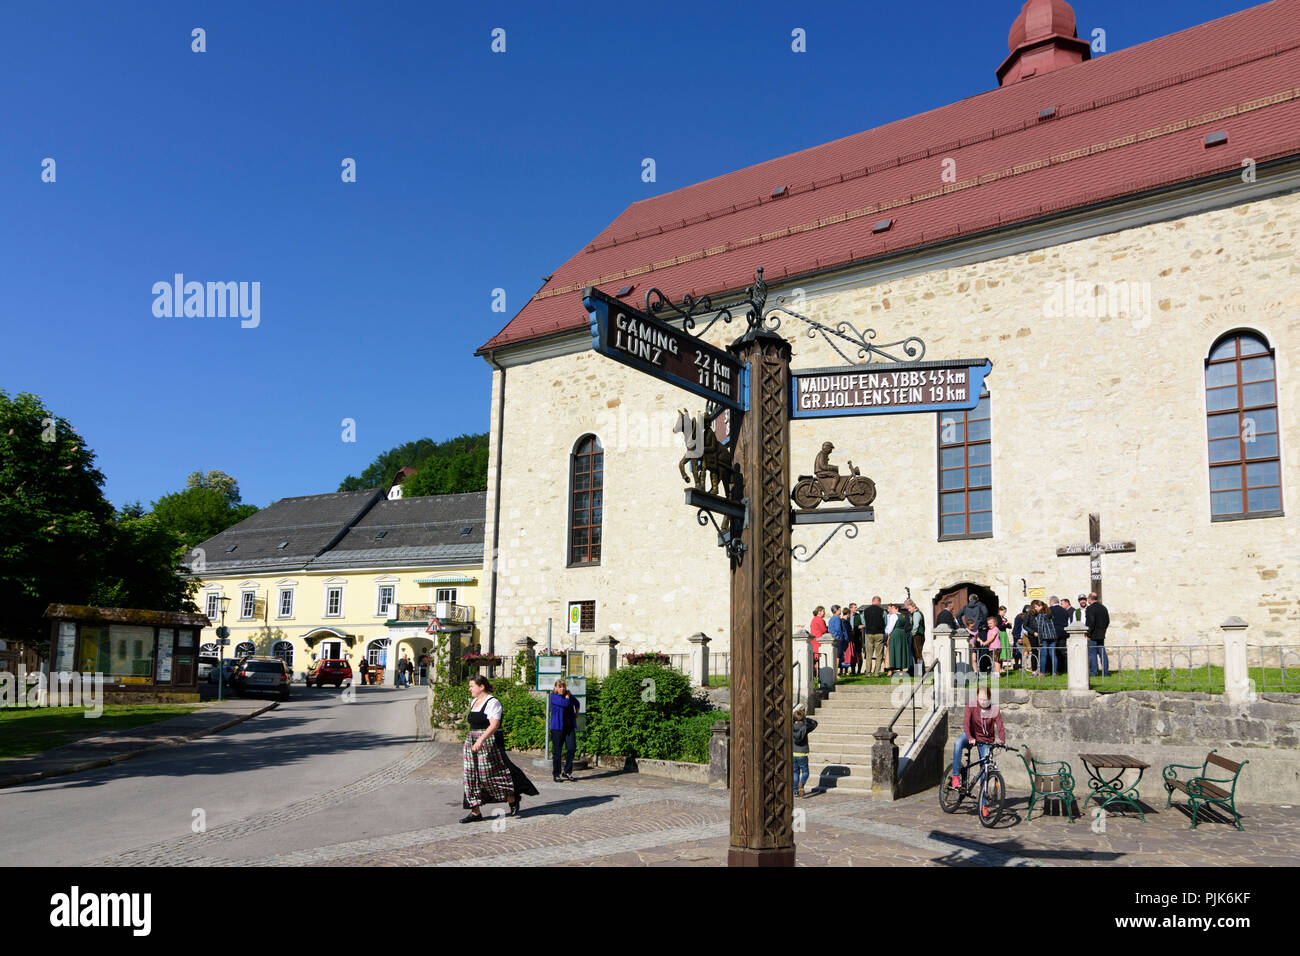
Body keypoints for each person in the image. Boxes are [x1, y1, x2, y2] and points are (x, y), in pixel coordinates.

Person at [461, 676, 539, 823]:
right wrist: (473, 740)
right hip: (471, 741)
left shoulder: (493, 702)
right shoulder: (474, 702)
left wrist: (480, 740)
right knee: (470, 776)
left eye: (472, 686)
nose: (469, 689)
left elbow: (494, 725)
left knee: (488, 775)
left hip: (488, 741)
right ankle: (475, 812)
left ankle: (512, 797)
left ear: (481, 687)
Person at [950, 685, 1006, 818]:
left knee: (985, 771)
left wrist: (1002, 741)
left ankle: (984, 804)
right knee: (957, 743)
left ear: (990, 698)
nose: (983, 701)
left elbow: (1000, 726)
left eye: (985, 699)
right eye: (980, 698)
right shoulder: (971, 706)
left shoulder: (994, 710)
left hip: (986, 740)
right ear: (977, 697)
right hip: (972, 735)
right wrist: (969, 737)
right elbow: (966, 724)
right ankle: (955, 776)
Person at [548, 679, 581, 781]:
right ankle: (556, 774)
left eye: (563, 687)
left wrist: (576, 713)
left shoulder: (569, 696)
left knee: (571, 748)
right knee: (557, 751)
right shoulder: (553, 697)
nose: (562, 689)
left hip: (569, 727)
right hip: (557, 728)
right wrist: (567, 698)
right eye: (560, 687)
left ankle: (567, 771)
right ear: (555, 688)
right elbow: (564, 704)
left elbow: (577, 703)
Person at [792, 705, 818, 798]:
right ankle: (802, 784)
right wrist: (806, 719)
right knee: (805, 772)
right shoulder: (805, 727)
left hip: (793, 753)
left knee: (795, 772)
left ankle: (795, 791)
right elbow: (815, 723)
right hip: (802, 753)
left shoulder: (790, 727)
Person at [1085, 591, 1111, 677]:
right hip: (1101, 634)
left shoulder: (1090, 608)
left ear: (1089, 599)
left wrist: (1088, 634)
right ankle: (1106, 672)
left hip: (1093, 635)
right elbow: (1107, 621)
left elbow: (1090, 622)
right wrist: (1103, 630)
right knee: (1102, 654)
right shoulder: (1103, 608)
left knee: (1092, 654)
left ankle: (1094, 672)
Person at [1034, 600, 1060, 677]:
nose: (1035, 608)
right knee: (1053, 655)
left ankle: (1042, 673)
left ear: (1040, 606)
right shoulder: (1049, 614)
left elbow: (1040, 628)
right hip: (1053, 636)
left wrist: (1040, 640)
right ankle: (1054, 672)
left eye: (1036, 606)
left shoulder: (1040, 615)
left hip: (1045, 637)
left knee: (1043, 655)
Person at [862, 596, 887, 677]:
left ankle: (868, 673)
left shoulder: (865, 611)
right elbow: (885, 622)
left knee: (869, 654)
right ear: (878, 602)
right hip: (879, 633)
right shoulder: (883, 611)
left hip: (869, 633)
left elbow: (864, 622)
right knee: (879, 655)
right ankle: (876, 673)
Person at [886, 603, 912, 675]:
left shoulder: (894, 616)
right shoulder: (902, 616)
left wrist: (888, 635)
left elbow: (890, 627)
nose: (891, 609)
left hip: (895, 634)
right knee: (901, 651)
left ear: (897, 609)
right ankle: (901, 669)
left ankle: (891, 670)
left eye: (893, 608)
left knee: (893, 651)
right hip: (902, 634)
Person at [905, 599, 926, 670]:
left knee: (918, 654)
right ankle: (919, 671)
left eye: (909, 608)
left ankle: (920, 672)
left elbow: (916, 626)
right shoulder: (914, 614)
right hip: (917, 636)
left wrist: (912, 634)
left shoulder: (916, 614)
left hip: (917, 636)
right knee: (916, 654)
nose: (908, 610)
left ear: (913, 606)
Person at [828, 604, 848, 676]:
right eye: (839, 609)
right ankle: (835, 674)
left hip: (833, 639)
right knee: (837, 657)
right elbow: (838, 629)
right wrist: (840, 638)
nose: (840, 611)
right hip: (838, 640)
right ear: (836, 611)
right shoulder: (837, 619)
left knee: (835, 656)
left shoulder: (831, 619)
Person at [848, 602, 864, 676]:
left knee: (858, 653)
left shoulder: (859, 616)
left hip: (858, 637)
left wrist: (860, 626)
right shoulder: (847, 617)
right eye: (854, 607)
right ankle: (853, 670)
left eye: (856, 607)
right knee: (852, 653)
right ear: (850, 608)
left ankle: (859, 670)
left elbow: (863, 624)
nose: (856, 609)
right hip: (850, 637)